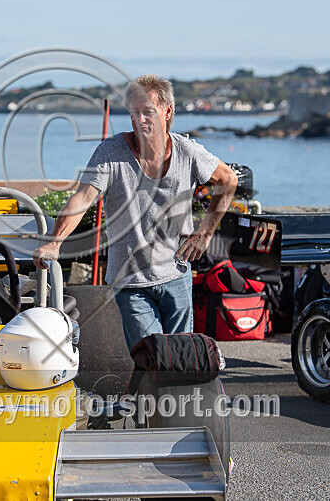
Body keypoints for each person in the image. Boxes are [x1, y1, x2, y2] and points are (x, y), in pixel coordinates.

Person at [33, 74, 237, 350]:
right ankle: (151, 393)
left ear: (167, 112)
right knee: (152, 356)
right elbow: (82, 199)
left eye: (148, 112)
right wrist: (55, 242)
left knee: (181, 358)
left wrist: (205, 233)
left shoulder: (187, 151)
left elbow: (228, 180)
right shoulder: (110, 152)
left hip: (177, 274)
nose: (140, 120)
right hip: (130, 280)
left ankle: (170, 396)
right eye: (134, 113)